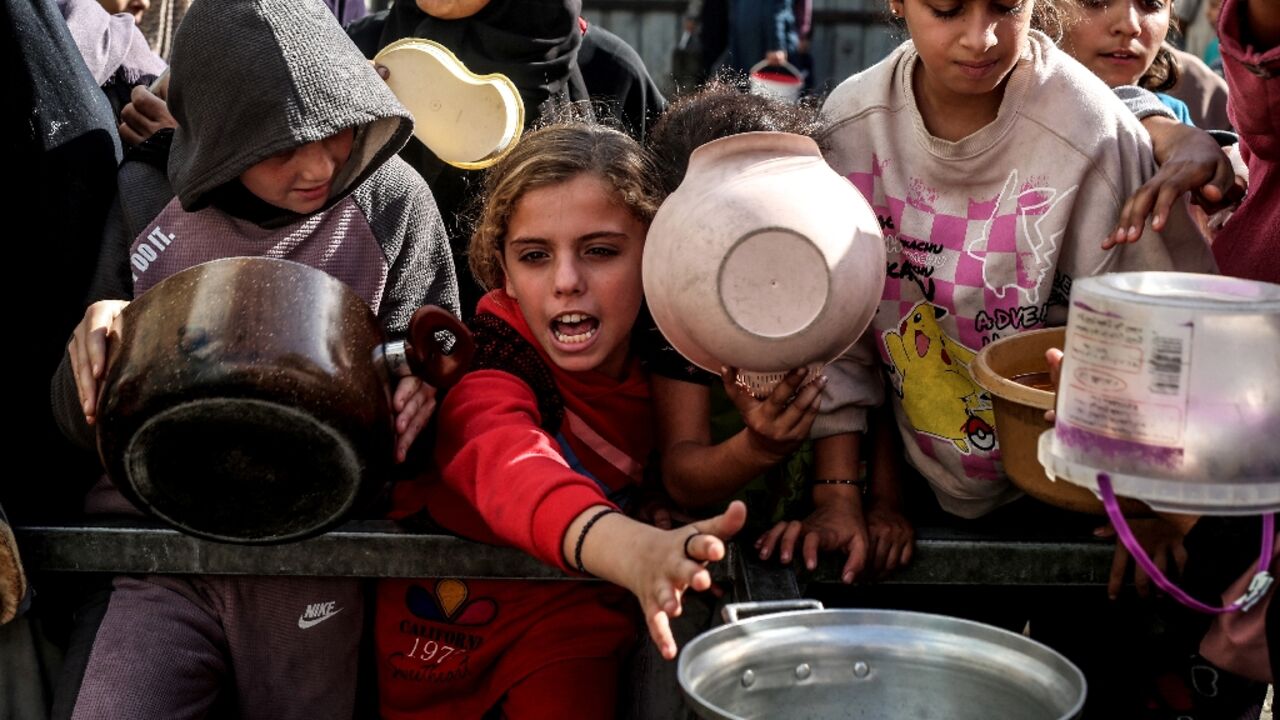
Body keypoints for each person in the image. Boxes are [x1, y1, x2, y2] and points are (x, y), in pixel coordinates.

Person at [46, 0, 459, 716]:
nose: (320, 164)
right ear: (221, 133)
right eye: (279, 144)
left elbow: (448, 356)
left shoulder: (392, 201)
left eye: (338, 132)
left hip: (328, 551)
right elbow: (71, 427)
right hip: (158, 555)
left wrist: (432, 394)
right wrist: (89, 354)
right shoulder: (144, 199)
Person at [375, 121, 746, 719]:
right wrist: (633, 550)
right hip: (443, 626)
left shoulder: (675, 358)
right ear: (503, 272)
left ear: (656, 251)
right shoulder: (488, 364)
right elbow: (511, 461)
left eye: (600, 251)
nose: (567, 282)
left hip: (570, 618)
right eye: (534, 257)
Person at [644, 82, 913, 583]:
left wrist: (882, 503)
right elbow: (681, 476)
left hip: (827, 534)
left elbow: (881, 402)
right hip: (719, 547)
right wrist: (759, 448)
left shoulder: (834, 277)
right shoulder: (677, 310)